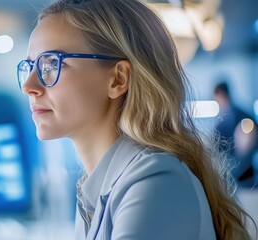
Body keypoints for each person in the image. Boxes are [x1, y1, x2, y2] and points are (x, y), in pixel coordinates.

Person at [16, 0, 253, 239]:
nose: (28, 86)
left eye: (51, 64)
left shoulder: (156, 182)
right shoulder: (94, 194)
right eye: (30, 66)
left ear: (118, 79)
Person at [214, 82, 257, 188]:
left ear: (219, 94)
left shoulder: (232, 118)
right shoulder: (243, 115)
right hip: (243, 173)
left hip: (237, 174)